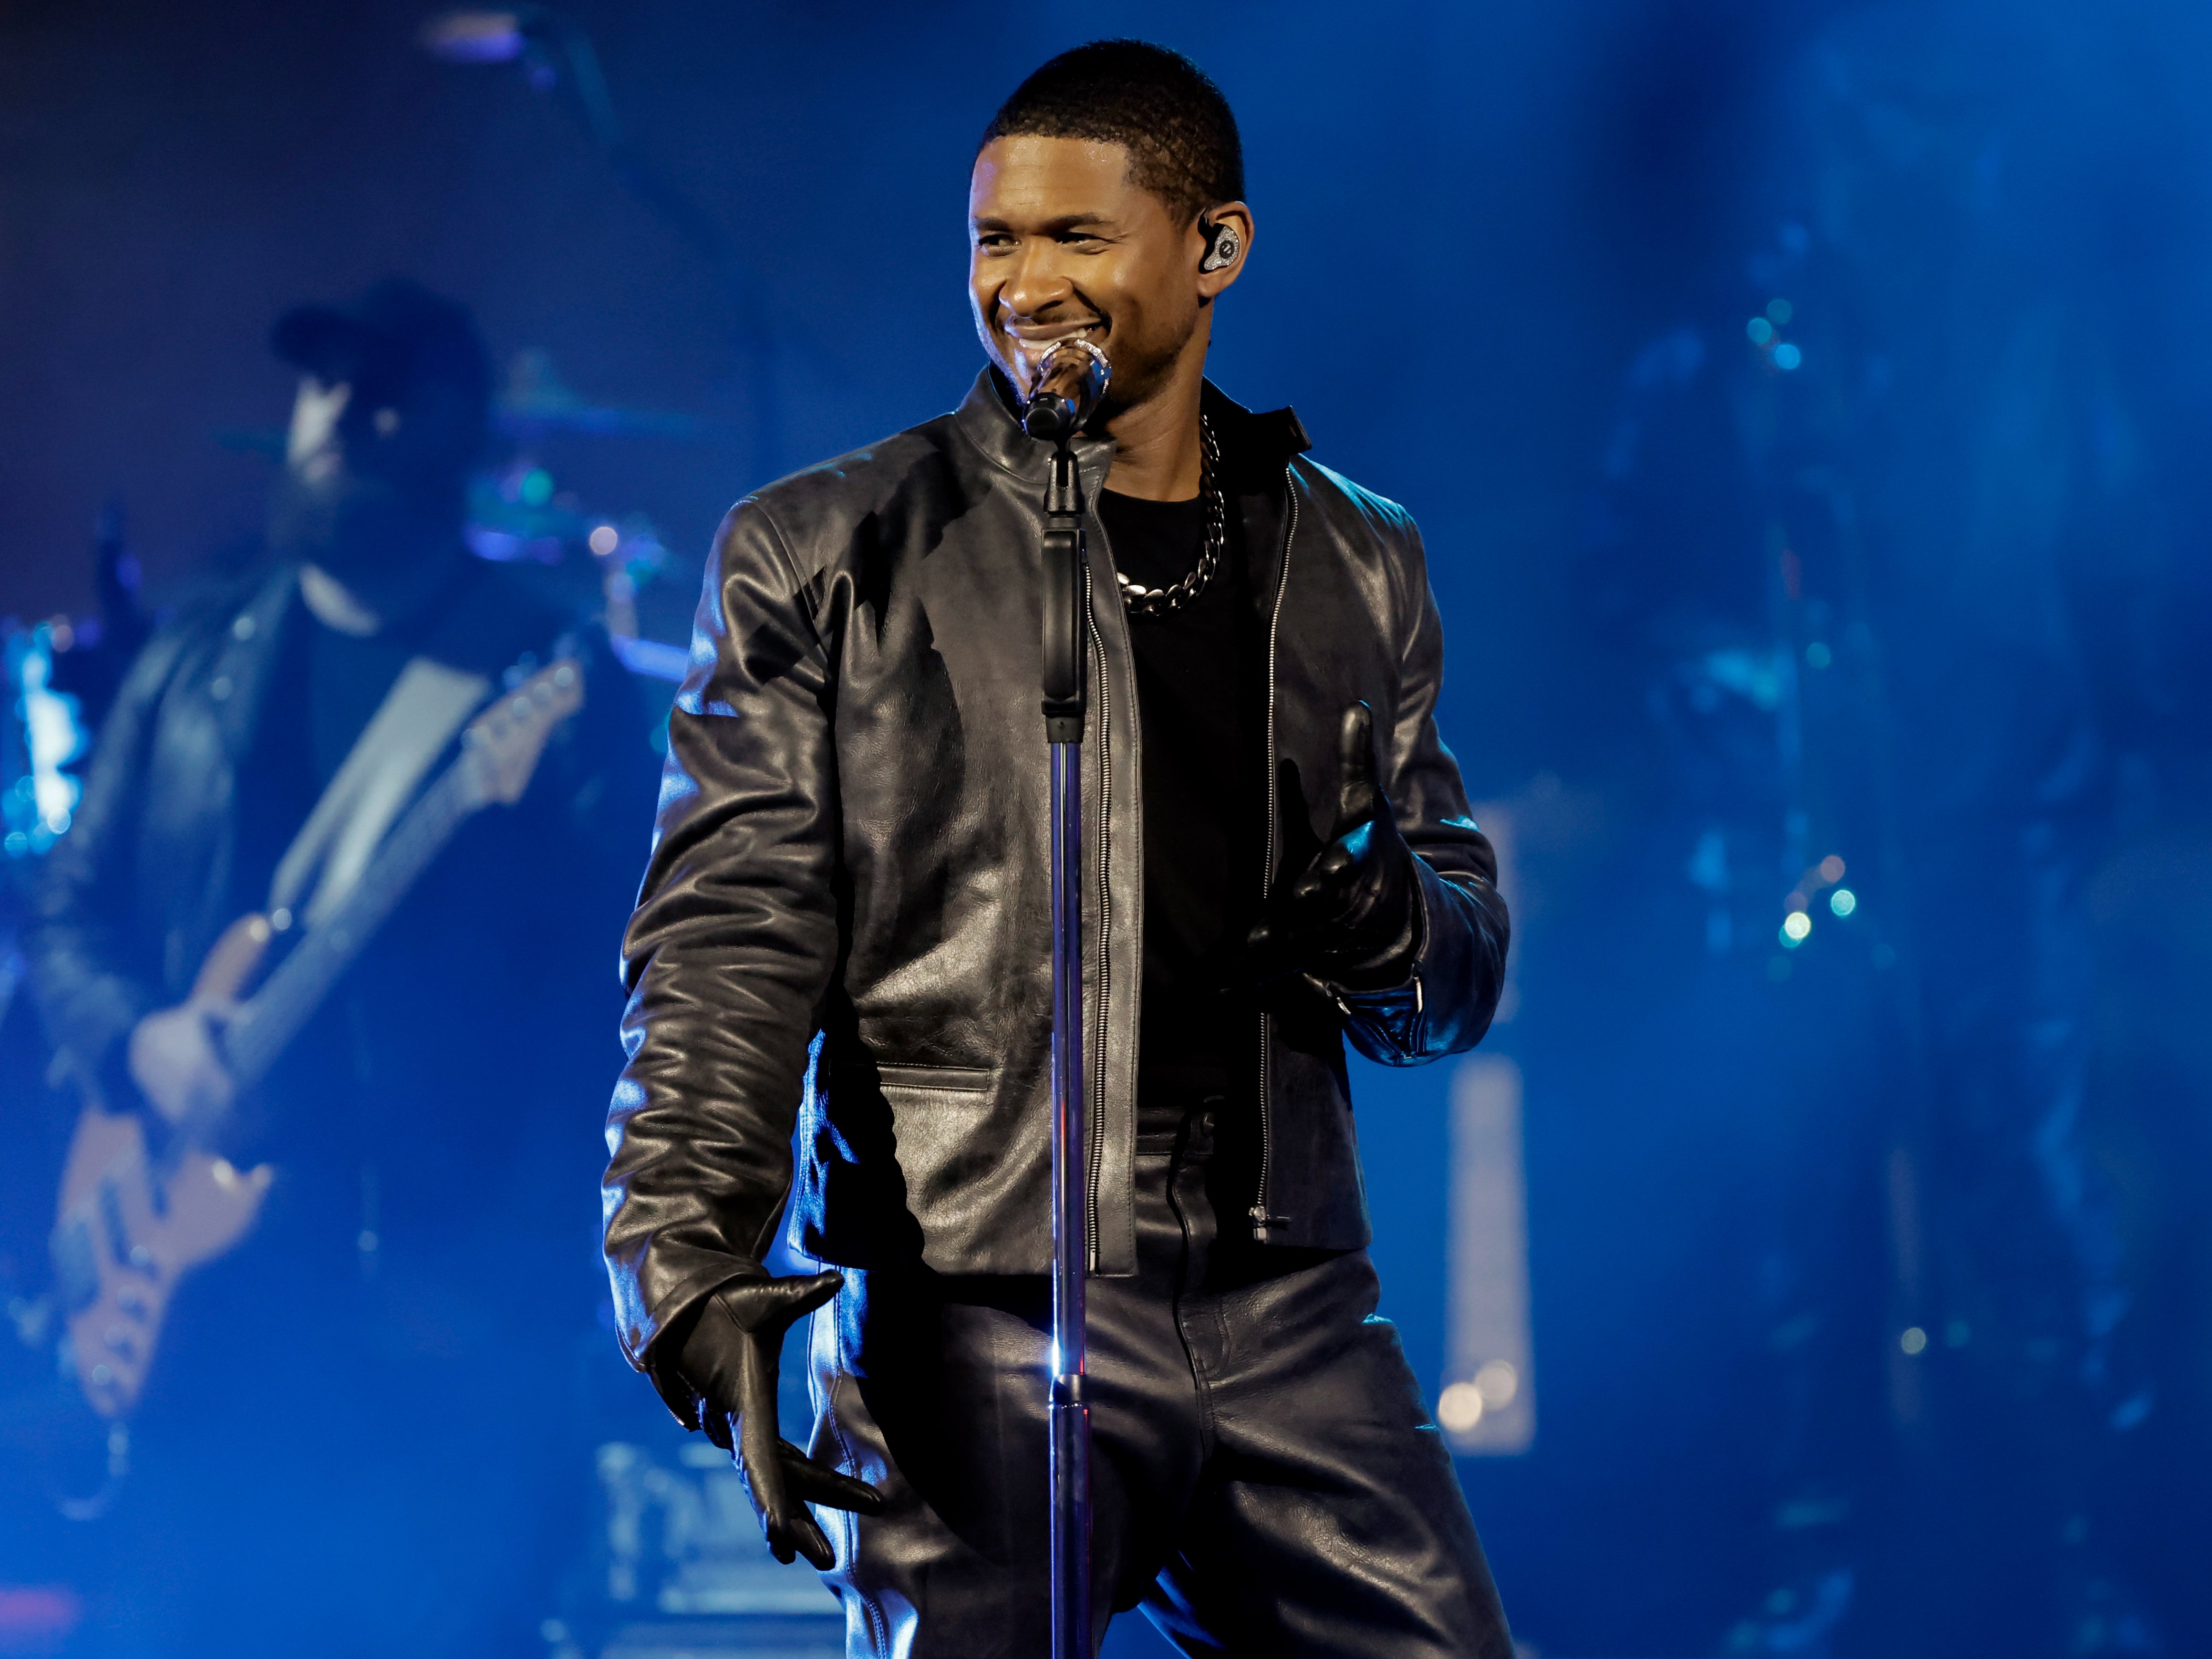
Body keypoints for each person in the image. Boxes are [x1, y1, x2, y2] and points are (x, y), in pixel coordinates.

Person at [602, 40, 1514, 1658]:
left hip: (1284, 1296)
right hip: (969, 1297)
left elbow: (1454, 977)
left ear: (1214, 248)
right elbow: (728, 937)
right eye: (995, 242)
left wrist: (1366, 895)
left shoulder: (1353, 553)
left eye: (1076, 239)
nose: (1025, 284)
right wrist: (684, 1258)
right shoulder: (831, 551)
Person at [29, 279, 656, 1655]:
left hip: (432, 1326)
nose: (343, 417)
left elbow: (619, 1020)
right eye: (323, 383)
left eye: (388, 393)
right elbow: (69, 915)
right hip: (212, 1328)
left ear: (458, 431)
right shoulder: (197, 655)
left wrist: (507, 1283)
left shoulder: (543, 675)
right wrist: (144, 1046)